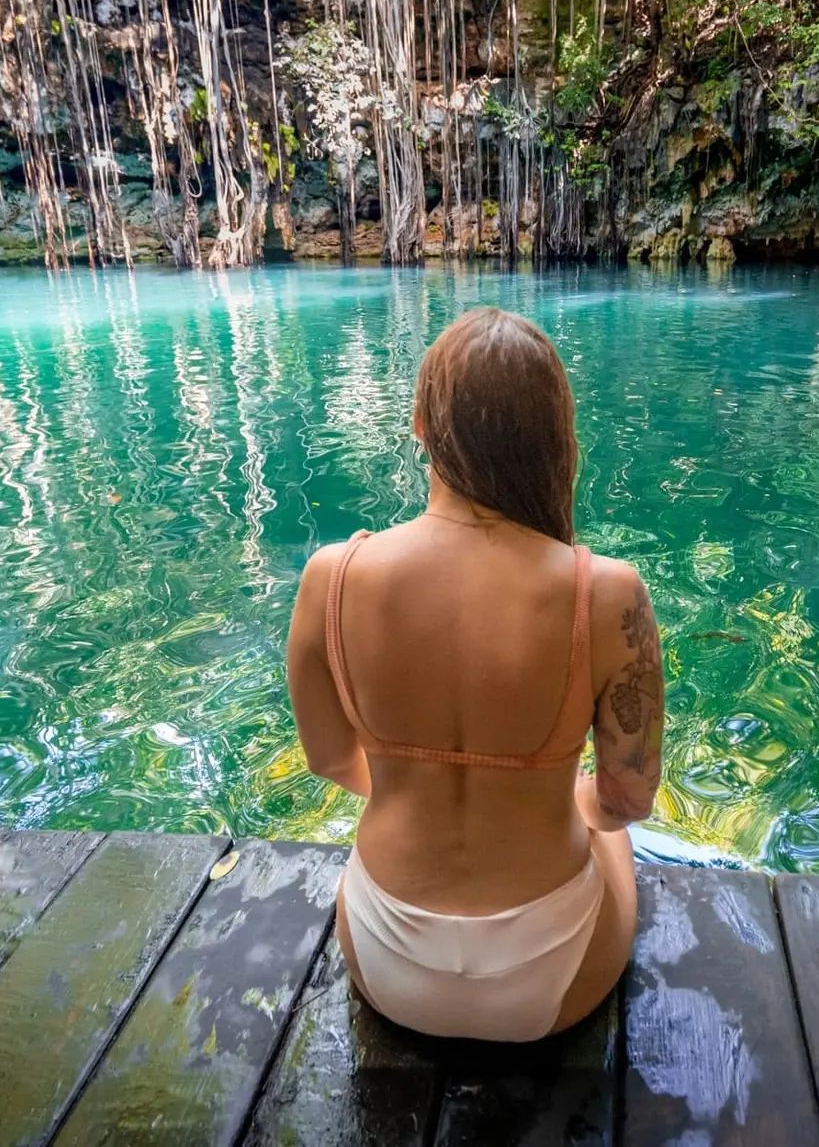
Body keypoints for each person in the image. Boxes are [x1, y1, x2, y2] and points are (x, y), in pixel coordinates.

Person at [285, 306, 665, 1041]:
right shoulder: (608, 592)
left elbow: (329, 758)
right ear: (556, 438)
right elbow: (627, 798)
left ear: (419, 425)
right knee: (608, 834)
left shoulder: (331, 579)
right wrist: (542, 802)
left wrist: (413, 784)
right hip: (553, 975)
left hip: (384, 957)